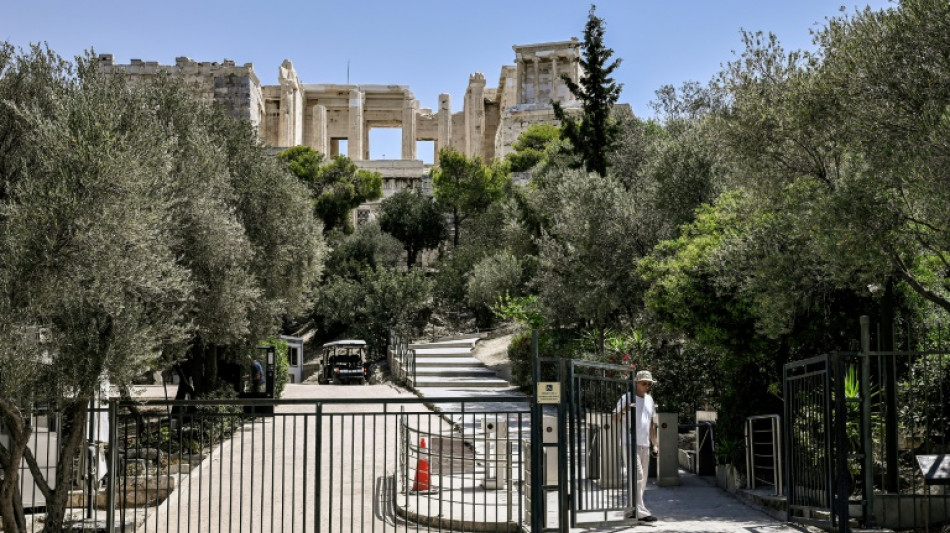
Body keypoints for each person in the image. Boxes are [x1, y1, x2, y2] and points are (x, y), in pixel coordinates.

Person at [613, 369, 658, 522]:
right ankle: (641, 512)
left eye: (648, 383)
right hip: (629, 443)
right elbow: (615, 417)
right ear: (636, 383)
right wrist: (626, 409)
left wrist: (655, 445)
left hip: (645, 444)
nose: (646, 386)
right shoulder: (627, 398)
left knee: (642, 479)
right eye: (643, 383)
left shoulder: (650, 400)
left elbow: (652, 424)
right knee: (637, 476)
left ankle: (630, 510)